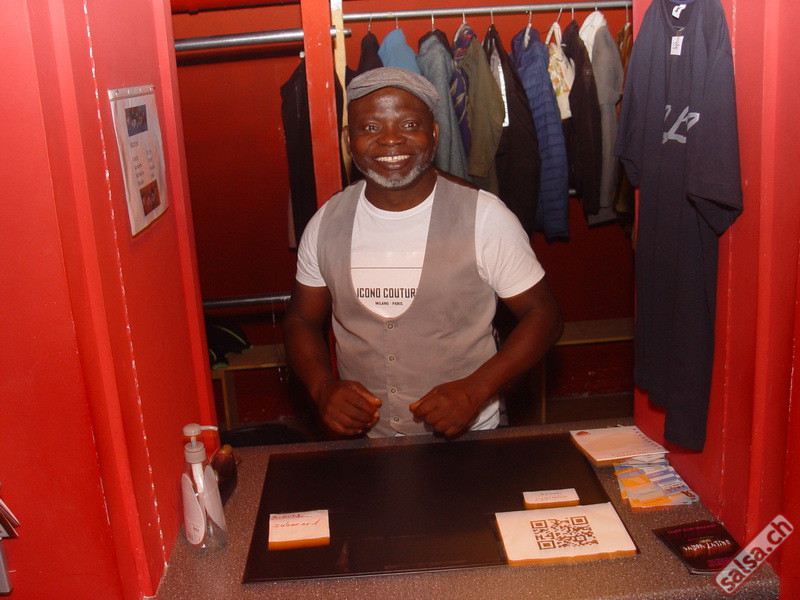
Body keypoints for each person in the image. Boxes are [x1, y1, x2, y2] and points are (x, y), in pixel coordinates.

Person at [283, 67, 562, 439]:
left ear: (434, 134)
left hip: (470, 437)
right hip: (368, 440)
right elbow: (301, 318)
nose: (390, 139)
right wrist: (322, 388)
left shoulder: (484, 217)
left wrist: (477, 389)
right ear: (349, 139)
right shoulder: (326, 222)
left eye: (409, 125)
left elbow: (543, 315)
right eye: (370, 127)